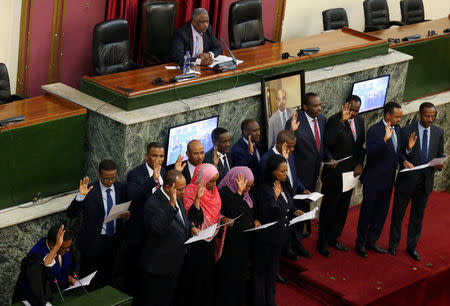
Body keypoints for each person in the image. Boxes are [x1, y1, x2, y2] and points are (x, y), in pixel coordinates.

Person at [356, 102, 414, 258]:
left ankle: (372, 240)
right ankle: (360, 243)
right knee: (367, 212)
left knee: (381, 212)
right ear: (388, 115)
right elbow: (372, 153)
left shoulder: (398, 129)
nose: (399, 120)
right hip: (373, 179)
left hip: (389, 180)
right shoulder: (374, 130)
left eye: (400, 117)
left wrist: (405, 157)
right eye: (397, 117)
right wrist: (385, 140)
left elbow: (398, 152)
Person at [388, 102, 445, 261]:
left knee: (417, 217)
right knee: (398, 215)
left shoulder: (439, 132)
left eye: (433, 116)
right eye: (427, 115)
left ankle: (411, 247)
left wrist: (440, 164)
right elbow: (399, 153)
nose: (430, 119)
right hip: (406, 182)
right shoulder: (406, 131)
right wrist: (407, 152)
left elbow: (440, 153)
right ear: (419, 114)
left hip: (425, 182)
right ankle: (393, 245)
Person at [126, 143, 185, 295]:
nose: (158, 159)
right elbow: (132, 196)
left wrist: (175, 173)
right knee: (140, 280)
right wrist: (152, 180)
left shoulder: (166, 172)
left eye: (161, 156)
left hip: (160, 235)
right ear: (147, 156)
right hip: (140, 231)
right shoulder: (136, 174)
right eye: (154, 155)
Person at [139, 170, 200, 306]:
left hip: (176, 263)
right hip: (159, 267)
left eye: (184, 188)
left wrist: (191, 228)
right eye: (180, 189)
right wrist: (172, 204)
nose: (183, 192)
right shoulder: (153, 203)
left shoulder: (178, 196)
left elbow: (182, 218)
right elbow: (158, 228)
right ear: (167, 187)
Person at [66, 159, 128, 288]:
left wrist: (126, 215)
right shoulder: (90, 191)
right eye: (106, 179)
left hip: (113, 240)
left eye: (113, 178)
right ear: (100, 175)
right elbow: (71, 213)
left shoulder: (121, 188)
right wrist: (80, 197)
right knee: (90, 280)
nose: (110, 182)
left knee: (110, 277)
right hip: (93, 242)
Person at [317, 95, 366, 257]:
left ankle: (334, 238)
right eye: (352, 110)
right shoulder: (334, 120)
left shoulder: (360, 121)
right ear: (345, 105)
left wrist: (360, 163)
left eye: (357, 111)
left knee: (342, 209)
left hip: (351, 174)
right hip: (335, 175)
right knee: (329, 209)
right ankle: (322, 242)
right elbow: (328, 143)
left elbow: (360, 147)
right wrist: (342, 122)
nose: (354, 113)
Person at [253, 155, 304, 306]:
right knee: (261, 272)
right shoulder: (264, 189)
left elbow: (288, 203)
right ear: (272, 172)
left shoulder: (284, 182)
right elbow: (265, 213)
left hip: (280, 235)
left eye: (286, 170)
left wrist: (294, 211)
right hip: (266, 237)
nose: (285, 174)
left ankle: (271, 301)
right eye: (282, 171)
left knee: (272, 270)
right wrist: (274, 200)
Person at [180, 163, 231, 306]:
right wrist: (197, 199)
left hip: (210, 241)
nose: (214, 185)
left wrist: (222, 219)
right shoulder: (190, 191)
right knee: (194, 277)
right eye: (211, 181)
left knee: (207, 277)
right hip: (196, 243)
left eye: (216, 180)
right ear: (202, 179)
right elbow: (192, 220)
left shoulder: (215, 192)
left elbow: (215, 214)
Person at [286, 92, 333, 236]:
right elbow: (287, 143)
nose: (319, 108)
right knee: (299, 204)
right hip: (300, 172)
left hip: (315, 170)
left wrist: (329, 158)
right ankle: (297, 235)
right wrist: (291, 131)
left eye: (320, 105)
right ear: (305, 107)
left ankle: (305, 230)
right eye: (315, 106)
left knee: (308, 201)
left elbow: (322, 144)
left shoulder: (322, 119)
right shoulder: (295, 121)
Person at [261, 130, 312, 261]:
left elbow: (293, 175)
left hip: (291, 195)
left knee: (294, 224)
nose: (293, 149)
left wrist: (302, 188)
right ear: (281, 144)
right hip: (277, 198)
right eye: (290, 146)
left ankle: (297, 246)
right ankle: (287, 250)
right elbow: (265, 181)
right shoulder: (267, 158)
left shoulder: (289, 154)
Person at [215, 167, 260, 306]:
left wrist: (255, 220)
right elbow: (234, 212)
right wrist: (239, 193)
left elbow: (250, 210)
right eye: (247, 185)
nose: (248, 189)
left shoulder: (246, 192)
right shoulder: (225, 192)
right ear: (237, 181)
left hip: (244, 240)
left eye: (250, 186)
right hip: (231, 242)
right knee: (230, 274)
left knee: (241, 272)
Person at [25, 225, 77, 293]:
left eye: (68, 246)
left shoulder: (64, 247)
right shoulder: (36, 255)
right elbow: (41, 278)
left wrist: (68, 278)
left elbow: (63, 271)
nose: (68, 250)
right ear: (53, 245)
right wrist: (57, 247)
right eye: (65, 248)